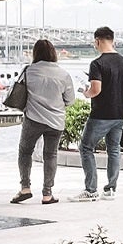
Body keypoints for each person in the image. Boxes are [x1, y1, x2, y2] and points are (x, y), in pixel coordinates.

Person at [12, 39, 75, 205]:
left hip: (33, 119)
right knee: (50, 155)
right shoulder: (64, 74)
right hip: (56, 121)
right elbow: (70, 101)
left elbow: (20, 94)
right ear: (53, 53)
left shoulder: (29, 71)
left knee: (25, 152)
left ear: (35, 53)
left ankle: (25, 188)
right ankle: (47, 194)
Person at [76, 26, 123, 201]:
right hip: (121, 113)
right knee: (114, 149)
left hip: (101, 114)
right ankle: (110, 189)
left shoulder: (97, 63)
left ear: (97, 41)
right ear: (112, 40)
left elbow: (96, 90)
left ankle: (91, 189)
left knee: (85, 147)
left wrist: (86, 93)